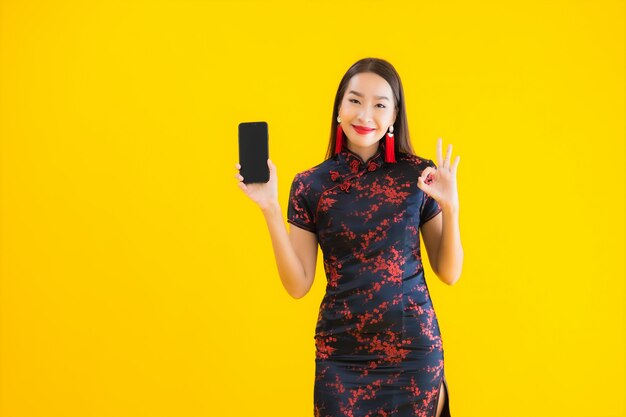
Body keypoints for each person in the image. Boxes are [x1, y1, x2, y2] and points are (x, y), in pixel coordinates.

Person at [234, 57, 463, 417]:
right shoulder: (310, 185)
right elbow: (298, 285)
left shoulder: (419, 176)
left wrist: (451, 209)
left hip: (413, 353)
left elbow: (449, 272)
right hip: (340, 357)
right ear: (339, 108)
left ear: (394, 116)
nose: (365, 115)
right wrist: (269, 208)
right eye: (354, 100)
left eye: (379, 105)